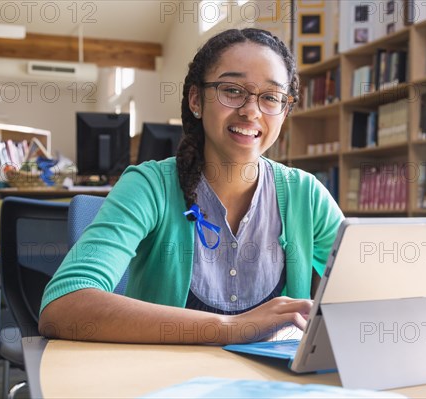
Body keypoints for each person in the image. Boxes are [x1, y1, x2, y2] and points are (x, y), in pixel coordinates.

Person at [39, 28, 344, 344]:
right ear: (196, 100)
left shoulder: (305, 195)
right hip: (164, 383)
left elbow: (369, 291)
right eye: (232, 90)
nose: (251, 111)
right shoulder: (149, 186)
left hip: (272, 387)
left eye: (270, 97)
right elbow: (63, 305)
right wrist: (232, 326)